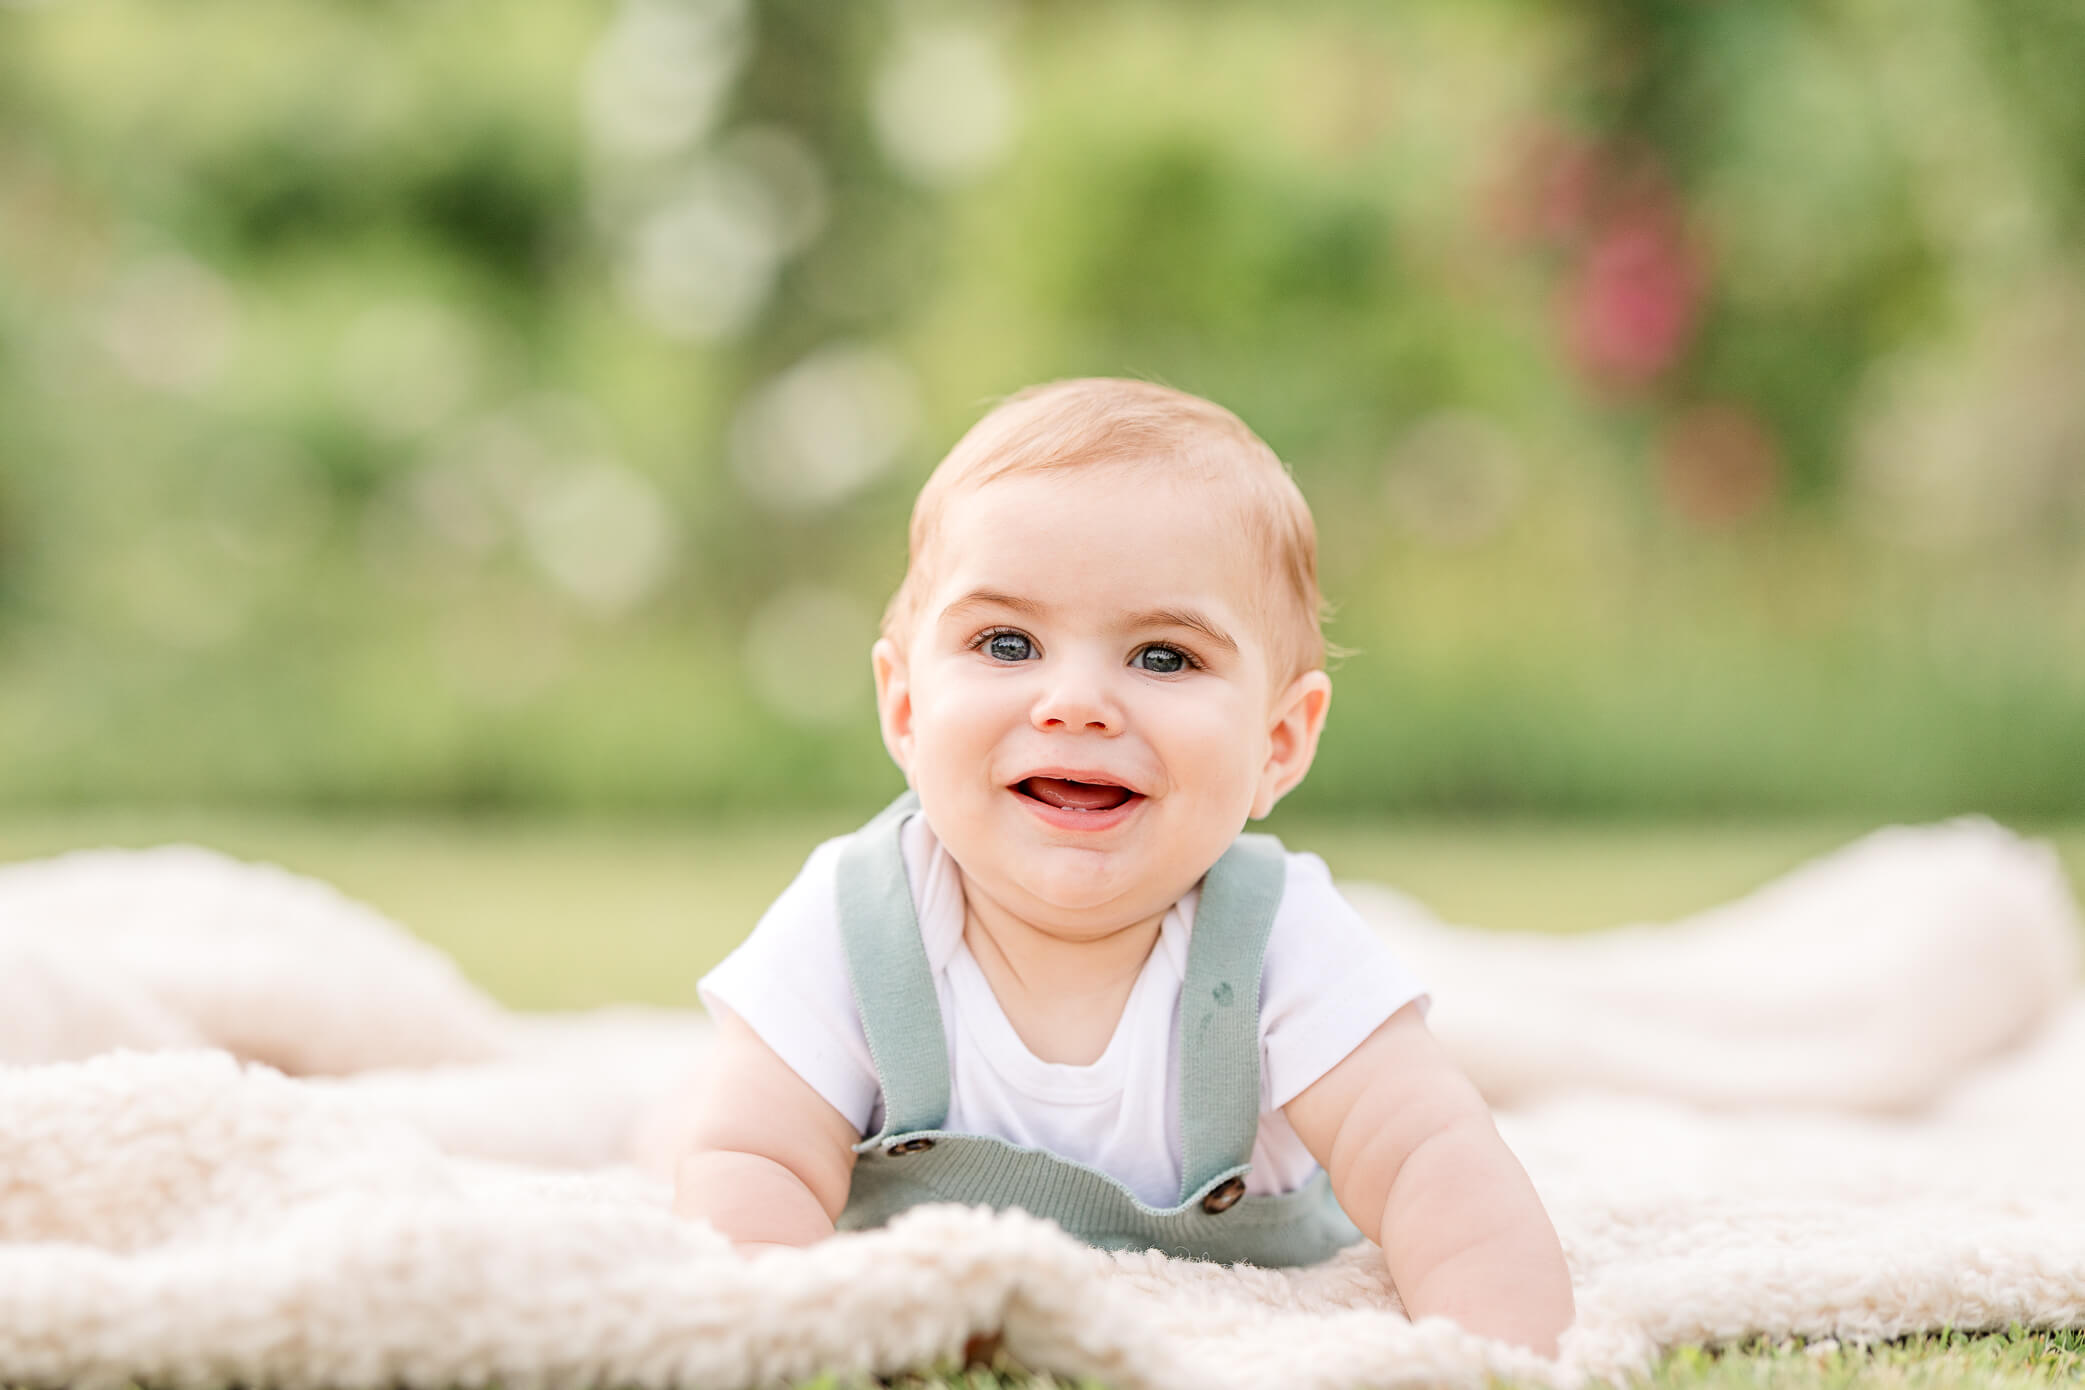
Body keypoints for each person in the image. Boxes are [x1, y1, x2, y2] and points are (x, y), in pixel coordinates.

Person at [675, 379, 1574, 1355]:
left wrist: (1505, 1356)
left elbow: (1430, 1161)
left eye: (1162, 657)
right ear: (904, 709)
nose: (1075, 703)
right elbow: (752, 1161)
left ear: (1278, 742)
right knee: (695, 1114)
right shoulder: (858, 922)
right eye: (1006, 642)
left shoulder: (1279, 938)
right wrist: (793, 1340)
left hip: (1231, 1313)